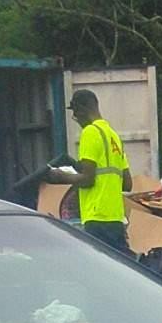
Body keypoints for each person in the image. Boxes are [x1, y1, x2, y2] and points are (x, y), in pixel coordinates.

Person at [60, 90, 133, 255]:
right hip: (115, 218)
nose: (76, 119)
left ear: (81, 108)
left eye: (75, 114)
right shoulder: (113, 136)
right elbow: (127, 184)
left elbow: (88, 179)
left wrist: (58, 177)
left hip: (96, 217)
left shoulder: (90, 132)